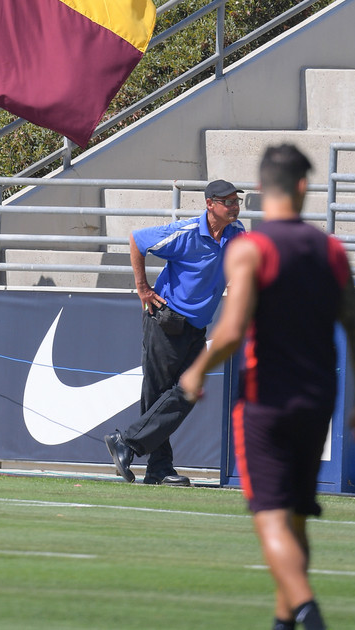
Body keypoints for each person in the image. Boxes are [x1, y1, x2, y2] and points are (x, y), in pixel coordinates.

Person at [180, 144, 355, 630]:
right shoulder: (332, 249)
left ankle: (308, 612)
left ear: (261, 190)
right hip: (318, 397)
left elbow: (234, 330)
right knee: (297, 517)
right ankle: (285, 621)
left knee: (270, 518)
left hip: (265, 400)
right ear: (304, 187)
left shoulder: (250, 248)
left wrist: (198, 368)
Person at [105, 179, 245, 485]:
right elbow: (137, 240)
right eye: (228, 202)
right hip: (165, 322)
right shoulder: (186, 233)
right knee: (158, 395)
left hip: (196, 327)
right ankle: (158, 467)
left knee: (186, 392)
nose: (234, 207)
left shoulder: (237, 234)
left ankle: (128, 444)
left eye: (237, 201)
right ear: (210, 205)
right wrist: (142, 288)